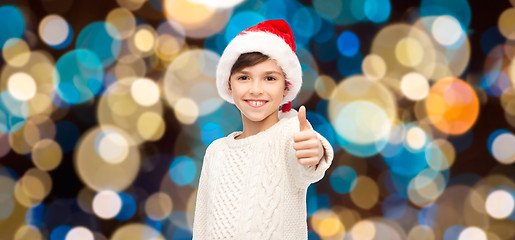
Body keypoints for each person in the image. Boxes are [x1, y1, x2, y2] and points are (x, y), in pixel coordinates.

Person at [192, 19, 334, 239]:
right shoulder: (216, 151)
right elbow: (202, 225)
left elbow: (309, 160)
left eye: (269, 78)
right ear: (229, 85)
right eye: (244, 77)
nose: (256, 89)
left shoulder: (290, 136)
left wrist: (315, 151)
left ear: (286, 86)